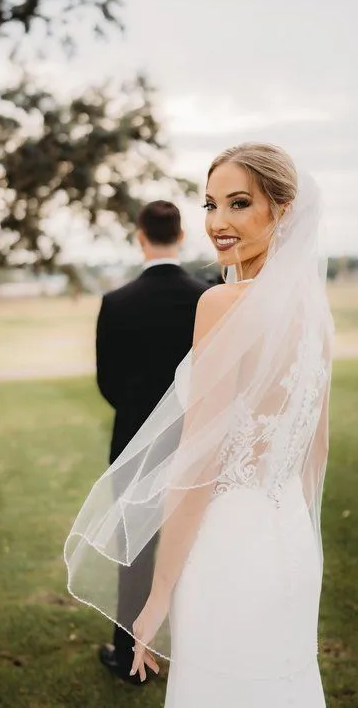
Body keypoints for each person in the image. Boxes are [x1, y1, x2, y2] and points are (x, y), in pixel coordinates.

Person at [65, 143, 334, 707]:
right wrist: (293, 536)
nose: (219, 223)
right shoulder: (315, 312)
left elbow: (196, 463)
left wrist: (158, 593)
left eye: (239, 203)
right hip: (290, 547)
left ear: (283, 211)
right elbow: (314, 453)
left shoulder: (221, 304)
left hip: (228, 549)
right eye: (210, 205)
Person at [95, 199, 209, 682]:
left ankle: (128, 656)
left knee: (136, 553)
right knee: (199, 546)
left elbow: (108, 383)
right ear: (181, 235)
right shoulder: (207, 296)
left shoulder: (116, 303)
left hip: (135, 445)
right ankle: (199, 647)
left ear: (141, 235)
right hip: (200, 442)